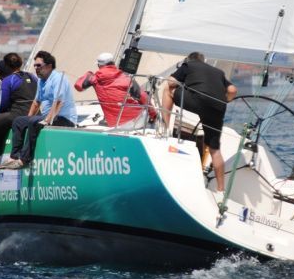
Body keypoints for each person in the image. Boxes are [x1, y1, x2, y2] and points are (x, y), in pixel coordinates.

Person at [161, 52, 237, 196]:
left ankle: (164, 127)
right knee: (214, 149)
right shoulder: (219, 72)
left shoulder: (188, 65)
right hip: (218, 107)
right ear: (203, 61)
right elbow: (233, 90)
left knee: (168, 89)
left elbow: (171, 82)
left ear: (189, 59)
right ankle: (221, 191)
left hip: (198, 100)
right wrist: (224, 101)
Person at [0, 51, 77, 170]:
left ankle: (24, 160)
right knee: (19, 121)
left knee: (33, 122)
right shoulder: (41, 80)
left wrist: (47, 120)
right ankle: (14, 157)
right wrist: (27, 118)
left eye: (38, 65)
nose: (36, 68)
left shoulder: (58, 78)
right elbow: (36, 102)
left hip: (64, 119)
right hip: (50, 117)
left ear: (49, 66)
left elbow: (59, 102)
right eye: (35, 65)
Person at [74, 52, 151, 129]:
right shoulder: (126, 77)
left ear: (99, 65)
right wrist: (154, 115)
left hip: (117, 125)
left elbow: (78, 86)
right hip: (138, 120)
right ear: (113, 63)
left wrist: (89, 74)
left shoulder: (94, 79)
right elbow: (143, 97)